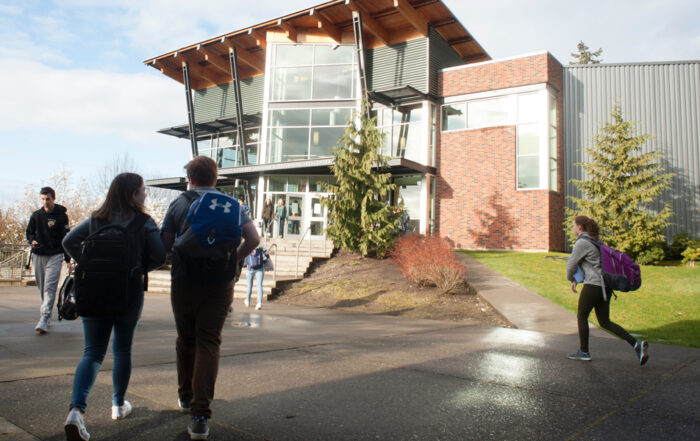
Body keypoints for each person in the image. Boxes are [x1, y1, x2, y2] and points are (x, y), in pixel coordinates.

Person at [161, 156, 259, 440]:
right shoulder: (235, 205)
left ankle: (185, 397)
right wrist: (233, 263)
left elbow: (165, 245)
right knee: (209, 342)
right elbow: (253, 239)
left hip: (185, 281)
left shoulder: (180, 203)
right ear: (215, 177)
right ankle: (201, 416)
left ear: (190, 178)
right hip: (220, 284)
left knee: (185, 338)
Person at [62, 173, 166, 441]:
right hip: (127, 293)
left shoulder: (97, 219)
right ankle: (118, 405)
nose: (146, 194)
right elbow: (159, 255)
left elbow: (69, 241)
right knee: (122, 348)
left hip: (93, 291)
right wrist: (136, 270)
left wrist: (89, 265)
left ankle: (76, 410)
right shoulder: (144, 223)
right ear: (133, 194)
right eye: (143, 190)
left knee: (93, 352)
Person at [566, 215, 649, 365]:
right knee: (605, 321)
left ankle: (584, 351)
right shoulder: (596, 241)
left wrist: (570, 279)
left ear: (579, 227)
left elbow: (571, 264)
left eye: (573, 226)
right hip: (606, 286)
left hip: (593, 285)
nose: (572, 229)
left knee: (581, 316)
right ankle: (636, 344)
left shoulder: (582, 243)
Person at [26, 186, 72, 334]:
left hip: (55, 254)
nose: (45, 202)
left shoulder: (61, 216)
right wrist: (32, 241)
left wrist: (68, 260)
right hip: (38, 254)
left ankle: (44, 318)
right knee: (42, 288)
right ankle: (47, 311)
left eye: (48, 199)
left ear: (54, 199)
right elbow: (29, 233)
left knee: (49, 287)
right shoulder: (36, 216)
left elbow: (66, 238)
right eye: (43, 199)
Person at [244, 244, 267, 310]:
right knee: (259, 285)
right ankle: (259, 303)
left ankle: (247, 301)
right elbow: (267, 255)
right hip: (260, 268)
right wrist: (264, 261)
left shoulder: (249, 243)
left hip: (250, 268)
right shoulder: (261, 245)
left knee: (249, 285)